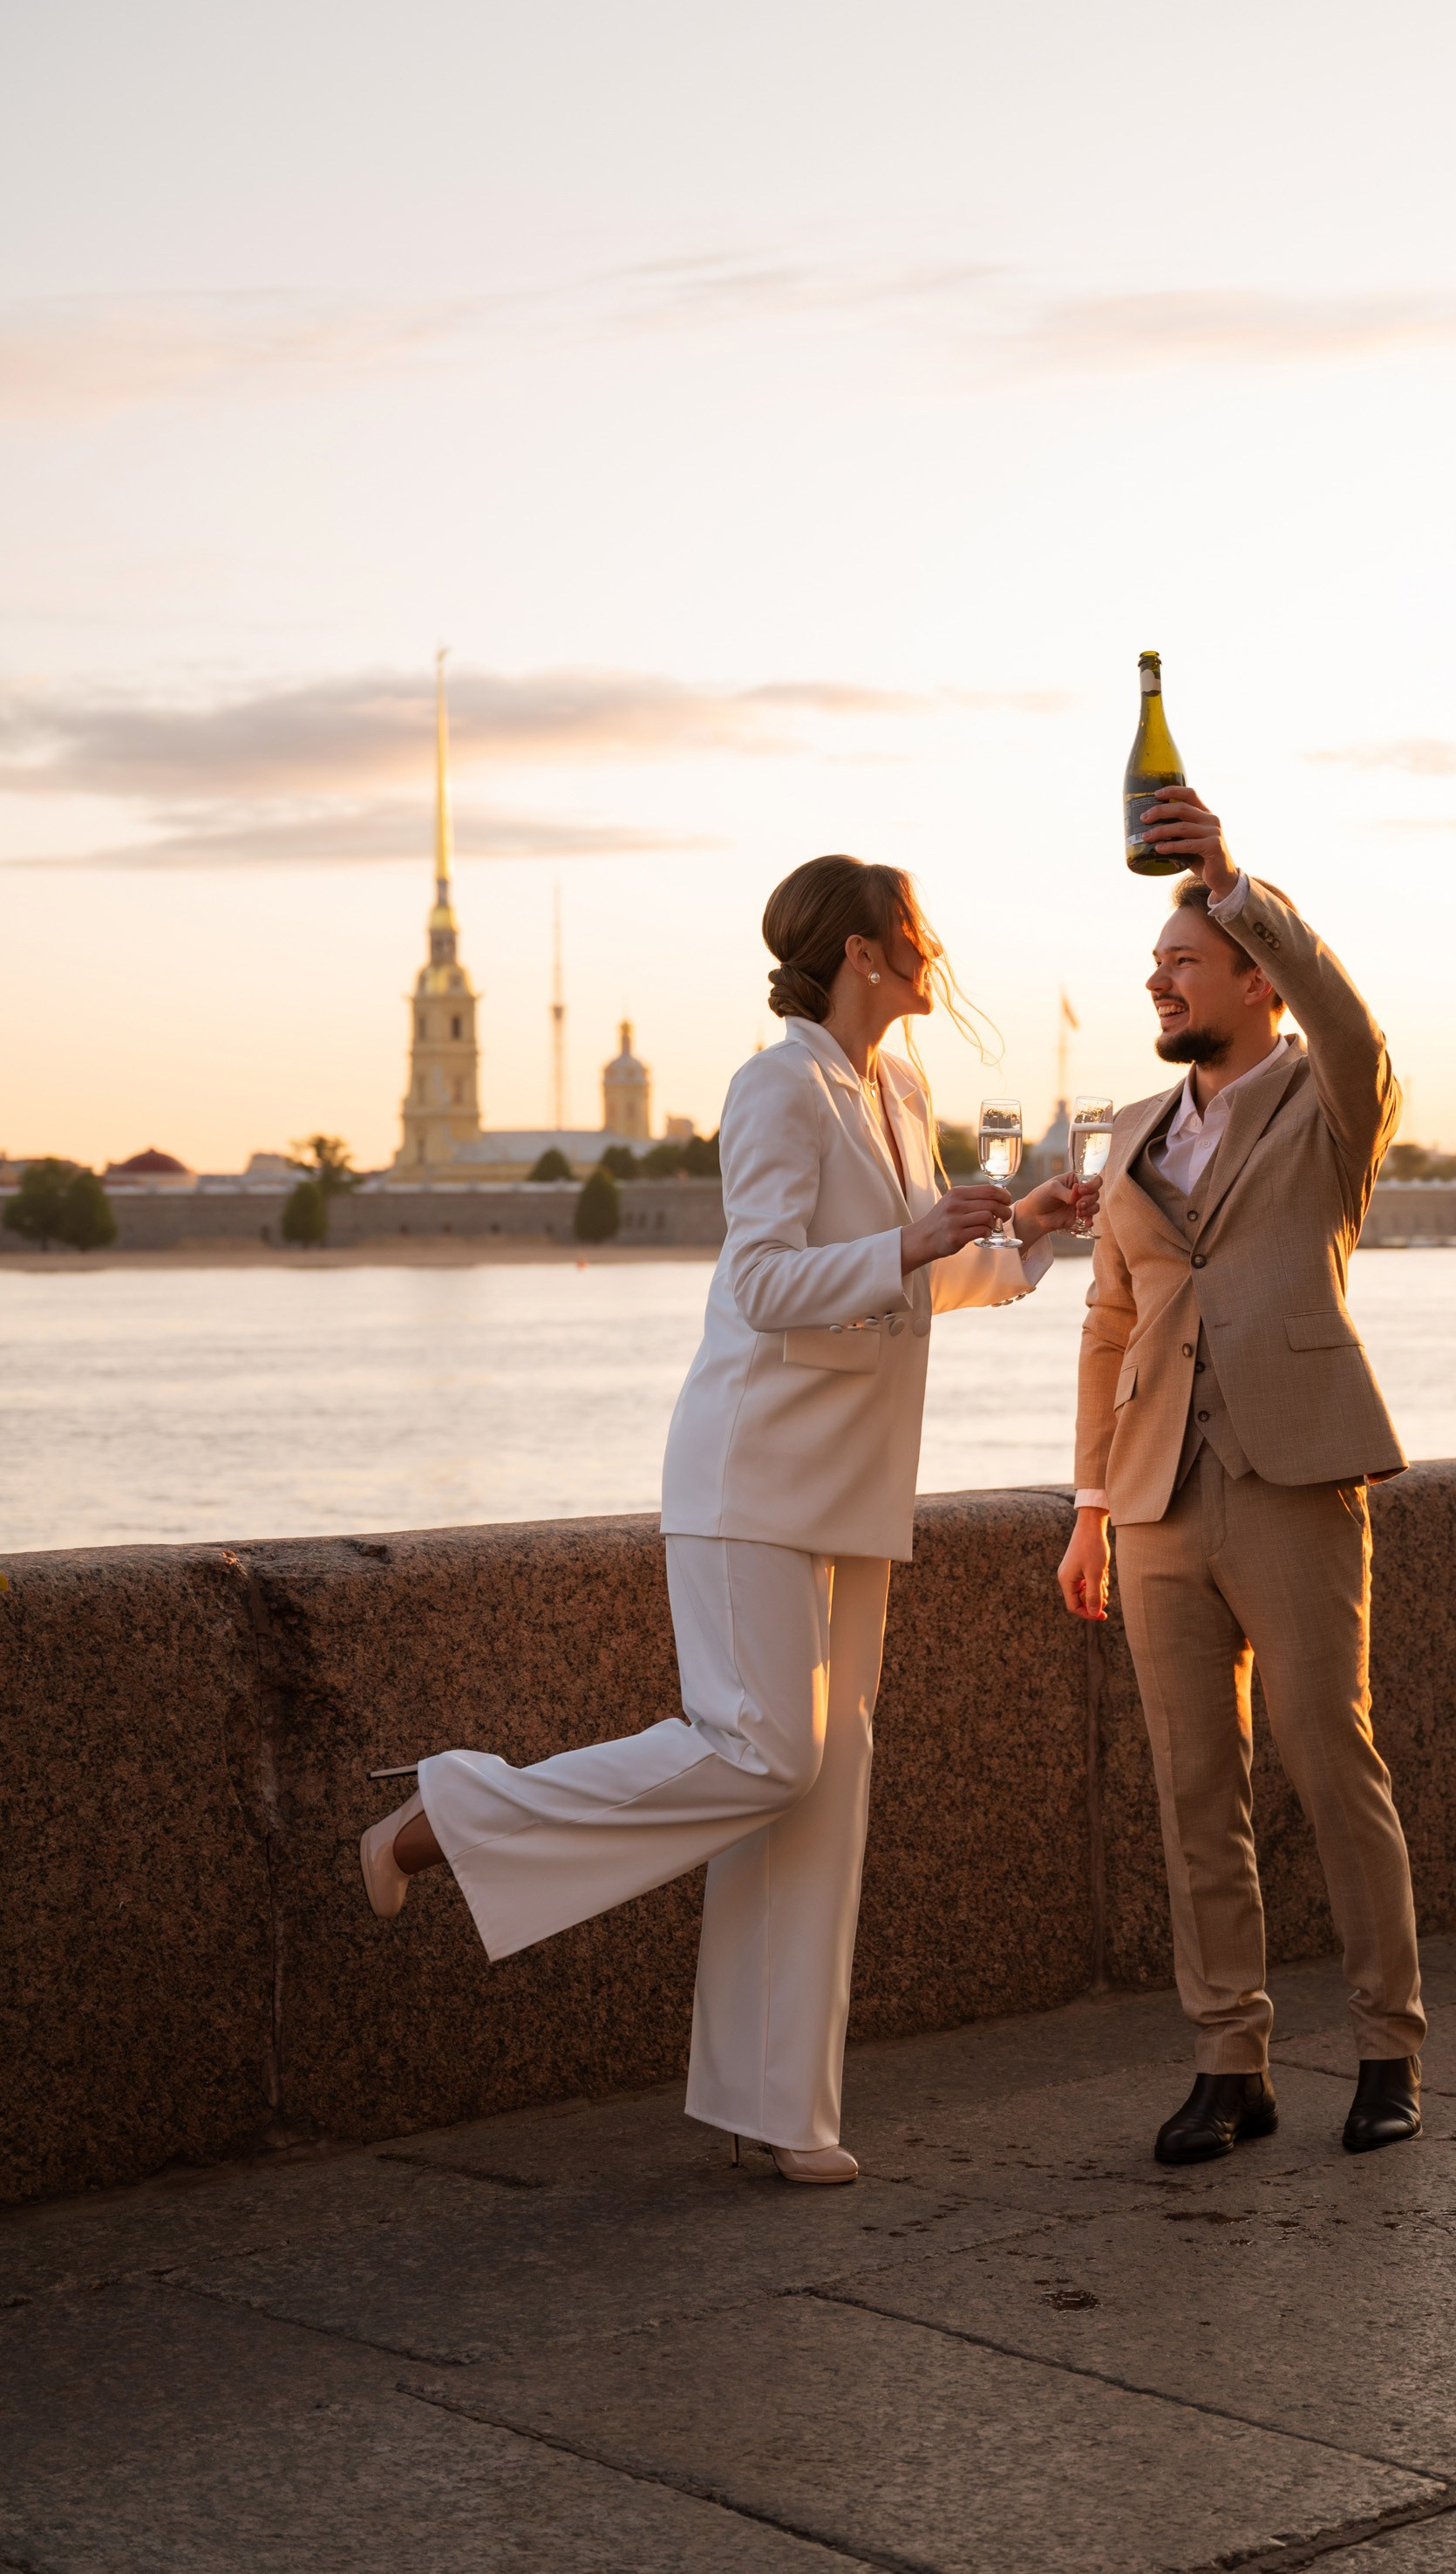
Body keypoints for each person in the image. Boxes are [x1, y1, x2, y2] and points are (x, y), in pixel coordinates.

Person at [361, 855, 1092, 2184]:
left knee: (823, 1793)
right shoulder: (778, 1084)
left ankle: (779, 2112)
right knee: (761, 1756)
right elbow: (764, 1281)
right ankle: (454, 1815)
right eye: (913, 932)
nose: (933, 950)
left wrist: (1025, 1234)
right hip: (750, 1472)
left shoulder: (900, 1089)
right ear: (862, 954)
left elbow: (911, 1281)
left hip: (853, 1484)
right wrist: (918, 1247)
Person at [1056, 787, 1425, 2164]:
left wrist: (1233, 882)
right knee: (1189, 1786)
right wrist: (1090, 1503)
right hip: (1153, 1501)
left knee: (1333, 1763)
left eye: (1186, 961)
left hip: (1292, 1480)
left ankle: (1388, 2048)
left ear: (1252, 981)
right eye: (1154, 967)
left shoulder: (1333, 1107)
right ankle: (1232, 2062)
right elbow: (1107, 1326)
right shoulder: (1136, 1137)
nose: (1159, 980)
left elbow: (1355, 1025)